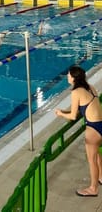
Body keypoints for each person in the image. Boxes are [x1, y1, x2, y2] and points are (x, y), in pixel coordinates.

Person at [55, 66, 102, 197]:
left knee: (91, 159)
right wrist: (65, 111)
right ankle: (101, 177)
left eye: (69, 75)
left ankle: (93, 189)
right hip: (100, 125)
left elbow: (73, 116)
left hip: (92, 129)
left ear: (74, 78)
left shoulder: (76, 92)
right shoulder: (90, 87)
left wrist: (60, 114)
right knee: (97, 154)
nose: (67, 77)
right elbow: (81, 108)